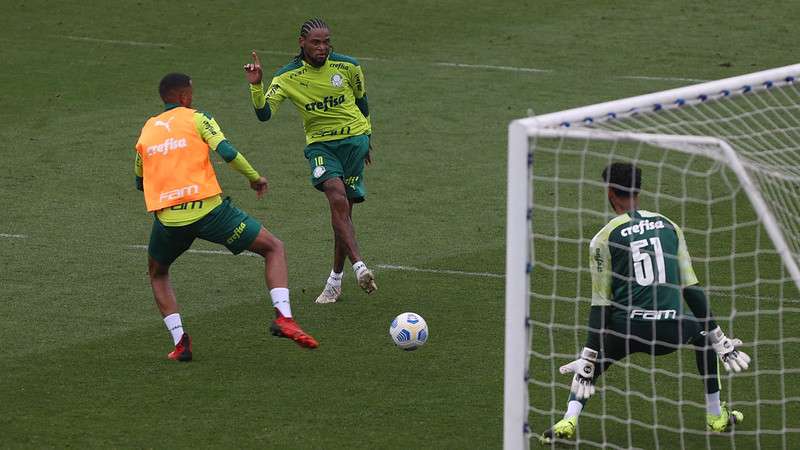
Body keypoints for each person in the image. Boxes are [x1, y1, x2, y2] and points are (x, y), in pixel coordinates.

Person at [540, 162, 752, 443]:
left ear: (609, 193)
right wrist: (720, 339)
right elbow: (692, 290)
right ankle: (716, 416)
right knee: (702, 337)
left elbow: (600, 305)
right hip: (669, 332)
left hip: (626, 330)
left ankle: (568, 420)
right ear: (638, 190)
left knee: (593, 361)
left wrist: (590, 353)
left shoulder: (603, 237)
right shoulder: (669, 226)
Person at [134, 73, 319, 361]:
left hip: (169, 220)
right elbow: (227, 151)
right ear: (185, 97)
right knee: (273, 247)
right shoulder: (198, 118)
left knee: (158, 273)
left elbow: (139, 179)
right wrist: (255, 178)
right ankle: (284, 316)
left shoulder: (147, 130)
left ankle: (181, 343)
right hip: (210, 212)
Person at [243, 17, 376, 304]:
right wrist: (256, 86)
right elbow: (264, 114)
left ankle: (334, 281)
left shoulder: (349, 66)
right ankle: (359, 266)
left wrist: (368, 138)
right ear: (302, 43)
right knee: (336, 197)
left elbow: (362, 102)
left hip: (354, 142)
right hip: (321, 146)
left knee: (343, 216)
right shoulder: (287, 77)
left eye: (326, 42)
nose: (322, 47)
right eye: (316, 42)